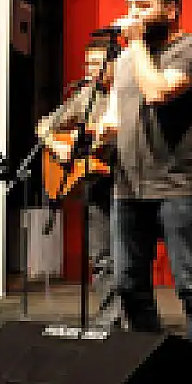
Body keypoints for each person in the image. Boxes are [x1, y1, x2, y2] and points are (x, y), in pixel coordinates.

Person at [95, 0, 192, 358]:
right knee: (127, 282)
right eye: (130, 6)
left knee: (191, 284)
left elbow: (158, 91)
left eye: (143, 6)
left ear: (170, 10)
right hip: (128, 186)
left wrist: (134, 44)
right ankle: (152, 361)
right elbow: (116, 113)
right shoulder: (126, 60)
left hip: (180, 186)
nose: (133, 14)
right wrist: (103, 130)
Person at [37, 32, 119, 325]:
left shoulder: (128, 94)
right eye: (87, 64)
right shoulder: (86, 95)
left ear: (115, 64)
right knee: (101, 256)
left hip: (127, 183)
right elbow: (44, 125)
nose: (91, 70)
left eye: (98, 63)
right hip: (96, 183)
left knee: (126, 256)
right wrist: (56, 144)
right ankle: (109, 318)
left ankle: (133, 321)